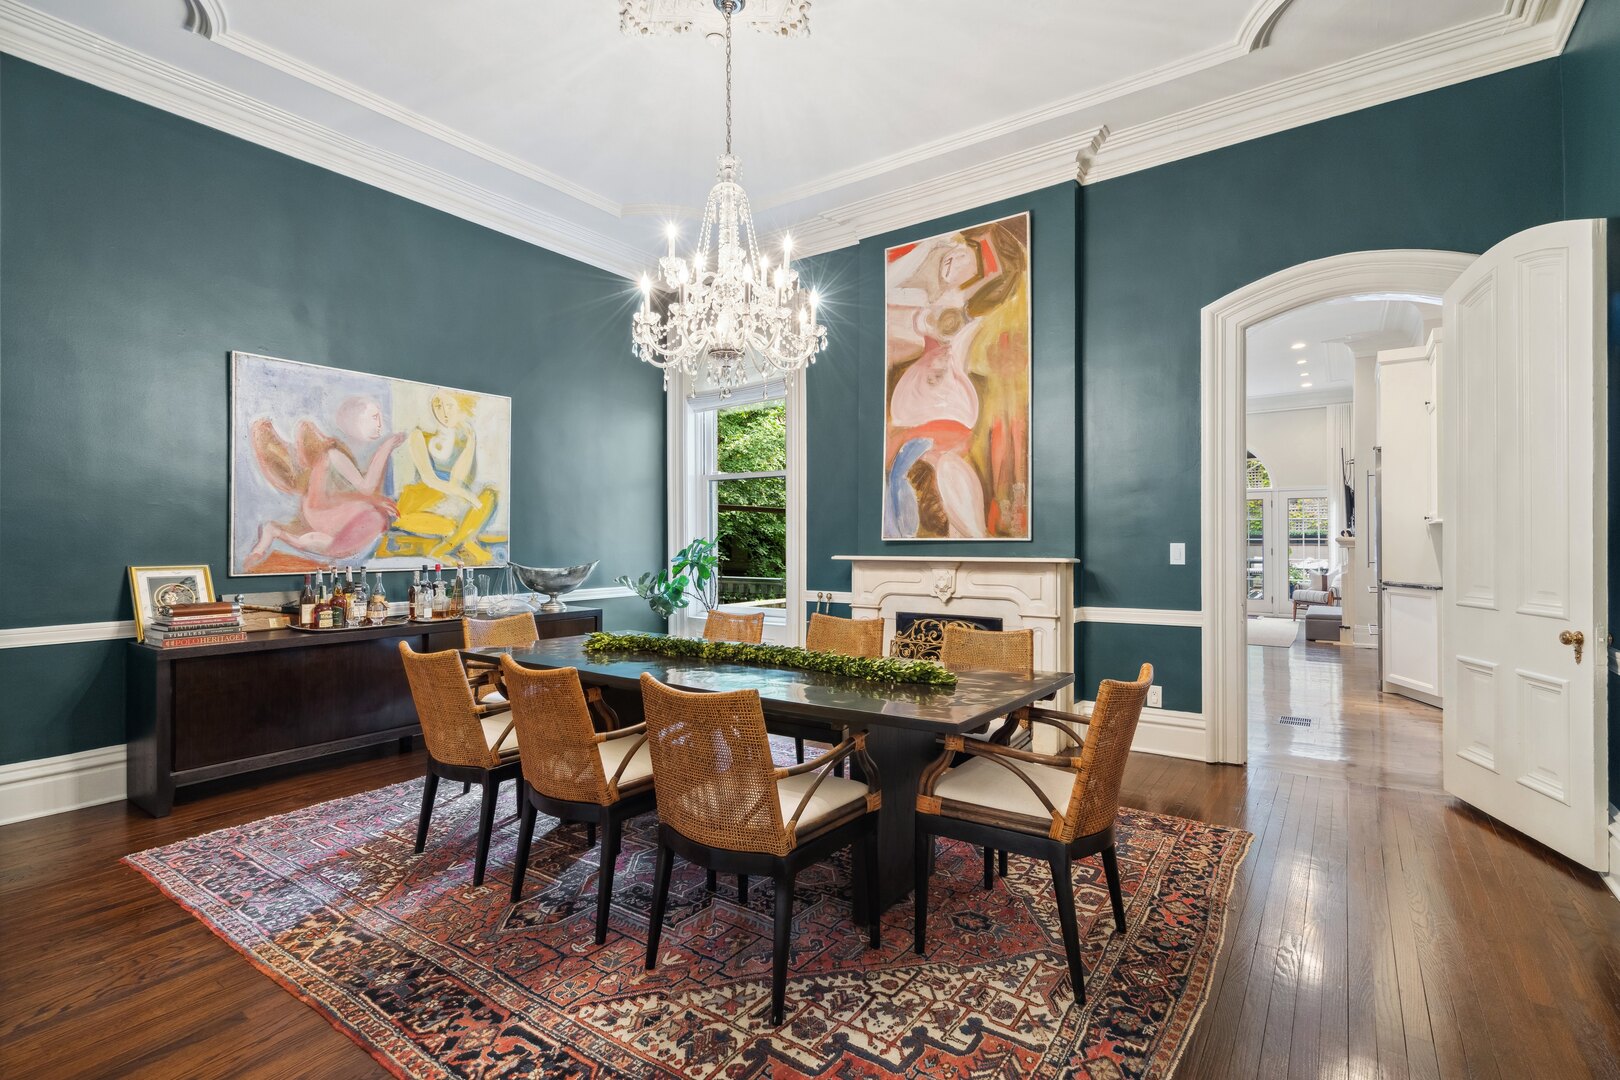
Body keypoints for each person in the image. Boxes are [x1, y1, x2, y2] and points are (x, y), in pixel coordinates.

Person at [244, 396, 406, 570]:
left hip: (323, 509)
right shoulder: (333, 453)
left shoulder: (338, 451)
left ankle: (290, 535)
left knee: (376, 516)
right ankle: (281, 533)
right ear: (355, 421)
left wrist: (374, 500)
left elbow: (340, 495)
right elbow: (366, 487)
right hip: (320, 512)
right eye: (374, 417)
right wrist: (386, 447)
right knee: (375, 518)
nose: (380, 424)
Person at [386, 389, 501, 564]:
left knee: (490, 494)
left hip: (451, 500)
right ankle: (466, 544)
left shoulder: (464, 437)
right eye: (438, 406)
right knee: (452, 526)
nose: (444, 413)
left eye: (449, 406)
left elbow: (457, 480)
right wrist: (467, 495)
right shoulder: (419, 435)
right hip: (422, 500)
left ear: (460, 406)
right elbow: (429, 479)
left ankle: (441, 551)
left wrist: (470, 441)